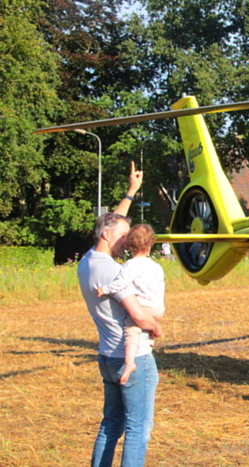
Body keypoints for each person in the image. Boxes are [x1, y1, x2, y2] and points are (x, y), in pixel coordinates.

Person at [78, 162, 163, 467]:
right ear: (108, 235)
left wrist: (131, 192)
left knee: (110, 425)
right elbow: (139, 317)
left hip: (107, 356)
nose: (128, 241)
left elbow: (112, 223)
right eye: (124, 235)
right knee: (138, 429)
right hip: (133, 358)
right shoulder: (114, 270)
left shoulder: (88, 261)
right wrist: (155, 326)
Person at [96, 223, 165, 385]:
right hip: (158, 308)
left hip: (144, 308)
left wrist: (104, 289)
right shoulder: (156, 266)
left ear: (129, 246)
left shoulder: (129, 265)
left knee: (131, 331)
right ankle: (149, 344)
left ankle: (129, 363)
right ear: (150, 246)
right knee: (145, 332)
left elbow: (120, 284)